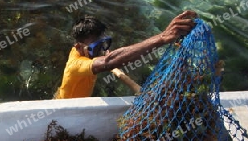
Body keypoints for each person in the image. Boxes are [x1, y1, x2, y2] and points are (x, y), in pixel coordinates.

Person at [54, 10, 198, 99]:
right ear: (78, 46)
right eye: (96, 47)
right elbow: (111, 61)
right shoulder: (76, 65)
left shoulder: (83, 50)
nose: (100, 51)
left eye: (104, 43)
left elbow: (108, 58)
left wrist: (105, 54)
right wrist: (162, 38)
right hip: (66, 103)